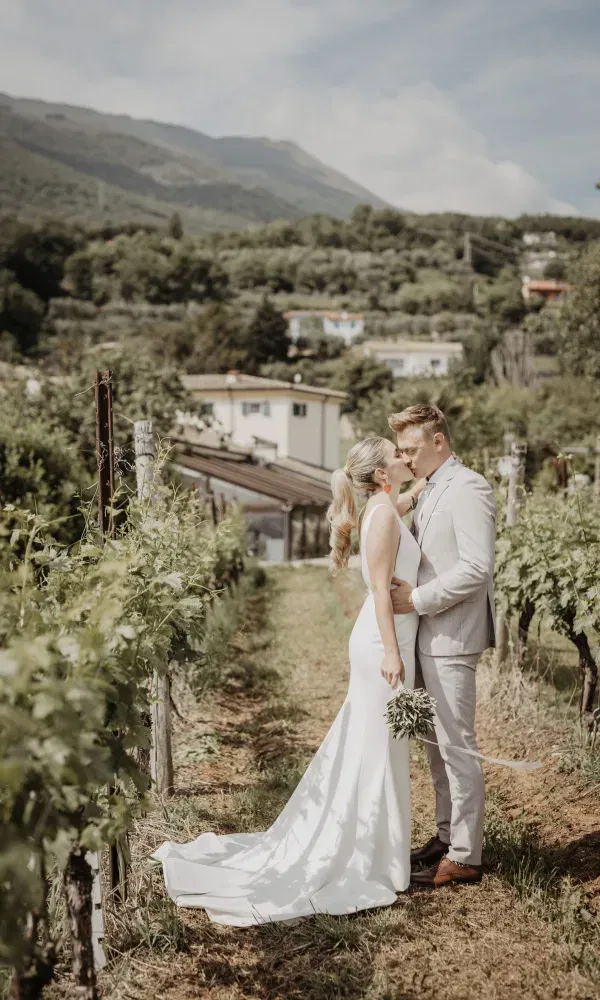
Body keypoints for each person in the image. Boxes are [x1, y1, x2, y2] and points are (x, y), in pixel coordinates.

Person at [152, 437, 425, 925]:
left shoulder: (385, 507)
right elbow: (381, 593)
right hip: (383, 644)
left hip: (385, 639)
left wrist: (428, 480)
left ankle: (381, 853)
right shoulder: (382, 515)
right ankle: (371, 857)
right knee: (376, 750)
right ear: (383, 474)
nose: (406, 458)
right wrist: (391, 652)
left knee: (372, 748)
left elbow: (402, 501)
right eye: (397, 454)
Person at [388, 404, 496, 889]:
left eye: (412, 450)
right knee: (434, 748)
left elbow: (476, 568)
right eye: (402, 451)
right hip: (426, 637)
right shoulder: (429, 488)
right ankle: (445, 834)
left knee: (457, 746)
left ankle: (467, 854)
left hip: (452, 635)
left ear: (438, 441)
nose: (406, 458)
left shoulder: (469, 487)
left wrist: (416, 599)